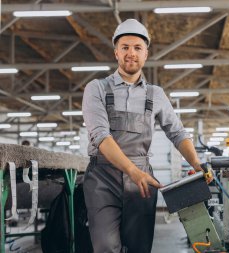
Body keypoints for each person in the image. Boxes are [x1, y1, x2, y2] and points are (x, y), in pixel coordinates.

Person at [82, 19, 206, 253]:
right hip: (102, 179)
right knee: (106, 246)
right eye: (125, 47)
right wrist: (132, 171)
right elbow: (101, 136)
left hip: (142, 182)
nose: (131, 53)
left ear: (146, 54)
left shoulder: (156, 94)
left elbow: (177, 132)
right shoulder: (96, 88)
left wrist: (196, 163)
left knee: (140, 248)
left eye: (137, 48)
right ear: (116, 52)